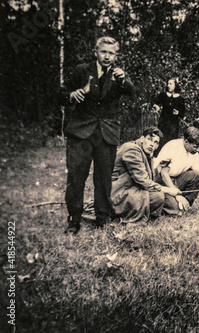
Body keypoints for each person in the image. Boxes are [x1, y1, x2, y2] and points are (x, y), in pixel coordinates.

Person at [59, 36, 135, 234]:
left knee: (103, 178)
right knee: (76, 177)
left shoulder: (118, 76)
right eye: (104, 52)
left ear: (116, 56)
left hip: (106, 134)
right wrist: (72, 95)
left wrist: (125, 80)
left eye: (111, 53)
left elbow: (133, 93)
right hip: (81, 133)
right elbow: (60, 94)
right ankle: (74, 219)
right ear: (96, 52)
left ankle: (103, 217)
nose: (107, 56)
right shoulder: (81, 71)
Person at [111, 127, 182, 223]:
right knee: (158, 197)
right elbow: (143, 180)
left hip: (133, 189)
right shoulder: (132, 149)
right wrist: (168, 190)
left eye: (156, 142)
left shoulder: (147, 154)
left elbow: (151, 178)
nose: (152, 144)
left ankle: (147, 212)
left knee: (173, 206)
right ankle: (125, 215)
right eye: (149, 139)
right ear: (142, 138)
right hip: (118, 193)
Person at [154, 126, 199, 211]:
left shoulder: (194, 153)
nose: (198, 150)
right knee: (175, 208)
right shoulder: (173, 146)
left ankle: (184, 204)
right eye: (195, 147)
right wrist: (176, 195)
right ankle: (175, 204)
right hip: (162, 182)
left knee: (198, 175)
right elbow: (163, 173)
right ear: (186, 141)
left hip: (177, 179)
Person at [152, 77, 186, 154]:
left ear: (175, 85)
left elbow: (182, 113)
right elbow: (155, 101)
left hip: (173, 125)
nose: (168, 85)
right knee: (160, 139)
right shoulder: (163, 95)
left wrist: (178, 113)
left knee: (171, 142)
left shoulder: (180, 99)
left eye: (171, 84)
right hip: (163, 122)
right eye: (168, 83)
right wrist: (156, 106)